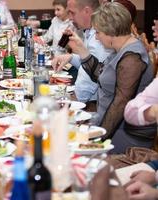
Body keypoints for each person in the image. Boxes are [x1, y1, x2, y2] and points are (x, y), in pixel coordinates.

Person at [53, 2, 153, 153]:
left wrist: (97, 140)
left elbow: (120, 105)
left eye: (98, 32)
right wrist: (82, 51)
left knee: (64, 145)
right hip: (106, 119)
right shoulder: (119, 49)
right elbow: (100, 75)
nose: (97, 38)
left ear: (110, 31)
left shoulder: (131, 58)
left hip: (126, 134)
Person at [52, 0, 112, 103]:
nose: (70, 18)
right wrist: (70, 57)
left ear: (87, 11)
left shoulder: (100, 36)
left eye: (72, 13)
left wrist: (70, 100)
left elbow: (88, 82)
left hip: (93, 104)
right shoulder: (89, 30)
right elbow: (89, 63)